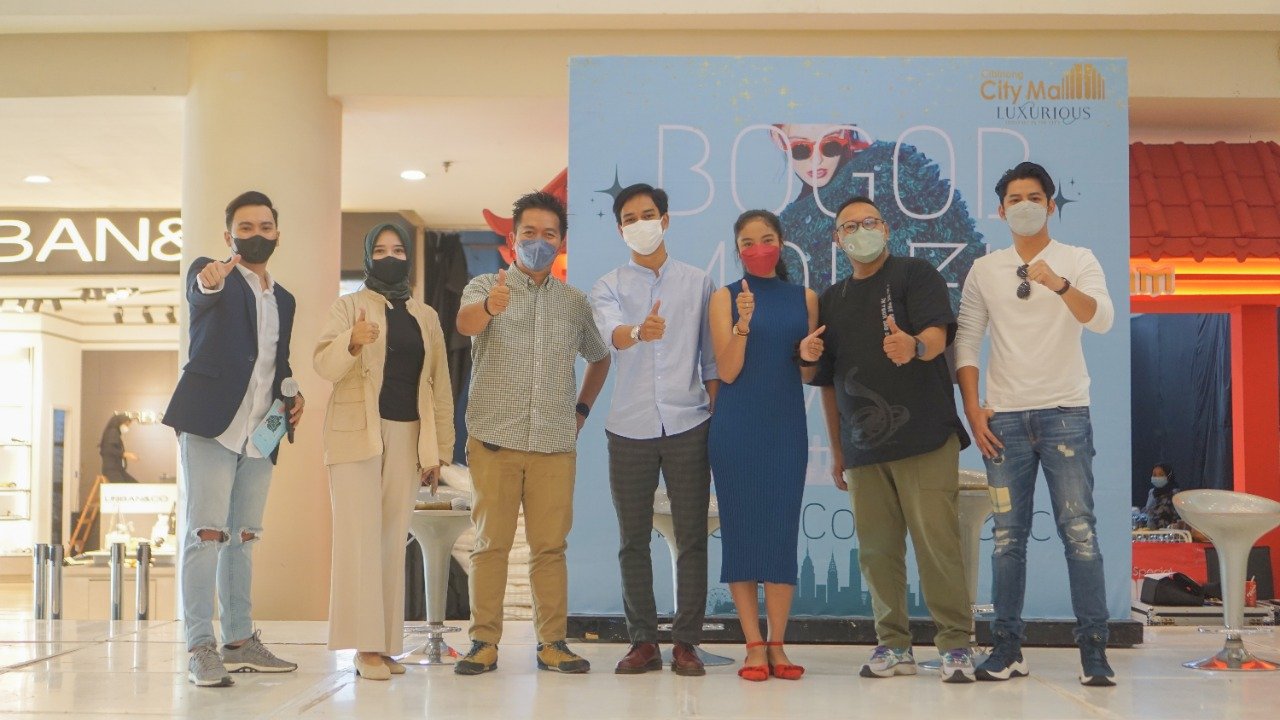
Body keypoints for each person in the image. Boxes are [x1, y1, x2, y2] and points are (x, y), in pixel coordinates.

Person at [955, 161, 1117, 687]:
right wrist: (973, 407)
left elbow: (1102, 318)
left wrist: (1060, 285)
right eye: (1014, 199)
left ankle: (1094, 651)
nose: (1023, 206)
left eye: (1033, 197)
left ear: (1050, 205)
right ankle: (1006, 649)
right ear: (1001, 211)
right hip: (1003, 419)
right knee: (1007, 538)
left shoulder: (1077, 259)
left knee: (1079, 532)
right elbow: (966, 339)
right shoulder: (986, 268)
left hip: (1066, 413)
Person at [812, 196, 976, 683]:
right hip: (863, 448)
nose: (861, 231)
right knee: (877, 552)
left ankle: (955, 645)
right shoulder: (831, 299)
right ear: (837, 240)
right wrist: (838, 450)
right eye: (850, 226)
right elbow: (827, 383)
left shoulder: (914, 274)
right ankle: (893, 644)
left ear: (885, 228)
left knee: (937, 545)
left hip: (925, 438)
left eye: (870, 222)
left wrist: (915, 345)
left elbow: (939, 335)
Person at [453, 191, 611, 676]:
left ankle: (552, 644)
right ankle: (483, 643)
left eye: (549, 234)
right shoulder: (486, 285)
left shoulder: (574, 303)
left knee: (550, 548)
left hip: (553, 445)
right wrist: (491, 307)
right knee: (490, 545)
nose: (538, 242)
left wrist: (581, 409)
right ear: (512, 237)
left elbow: (600, 356)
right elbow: (464, 324)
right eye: (529, 233)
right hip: (494, 440)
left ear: (561, 241)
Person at [162, 190, 305, 687]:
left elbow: (276, 363)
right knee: (205, 535)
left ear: (277, 234)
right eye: (245, 228)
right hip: (211, 424)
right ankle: (200, 646)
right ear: (229, 236)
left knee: (243, 537)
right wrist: (209, 282)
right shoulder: (213, 275)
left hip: (261, 432)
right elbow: (200, 291)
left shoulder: (284, 299)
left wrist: (293, 396)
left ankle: (240, 641)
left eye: (265, 227)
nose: (256, 235)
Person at [313, 222, 454, 681]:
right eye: (380, 250)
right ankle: (365, 647)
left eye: (397, 250)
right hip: (356, 434)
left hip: (409, 435)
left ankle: (387, 644)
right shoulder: (348, 306)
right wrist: (352, 340)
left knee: (393, 538)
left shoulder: (425, 315)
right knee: (360, 538)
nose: (389, 257)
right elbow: (324, 365)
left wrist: (439, 451)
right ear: (367, 257)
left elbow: (439, 384)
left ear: (408, 257)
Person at [588, 183, 719, 677]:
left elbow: (711, 359)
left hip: (689, 422)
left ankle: (687, 642)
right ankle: (643, 641)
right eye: (629, 218)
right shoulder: (607, 286)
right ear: (620, 229)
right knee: (632, 539)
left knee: (692, 537)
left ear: (664, 221)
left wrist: (717, 415)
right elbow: (612, 335)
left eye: (647, 215)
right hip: (629, 427)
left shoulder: (698, 282)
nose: (639, 224)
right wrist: (640, 331)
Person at [708, 209, 824, 682]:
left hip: (786, 428)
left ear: (781, 243)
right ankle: (753, 643)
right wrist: (742, 323)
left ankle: (778, 642)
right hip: (736, 428)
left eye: (767, 239)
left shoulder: (805, 298)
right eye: (748, 242)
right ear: (738, 250)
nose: (758, 248)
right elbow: (728, 370)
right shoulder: (725, 297)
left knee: (780, 531)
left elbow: (808, 374)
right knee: (740, 531)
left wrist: (808, 354)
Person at [771, 123, 983, 298]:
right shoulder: (789, 229)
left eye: (831, 145)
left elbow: (967, 252)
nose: (817, 160)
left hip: (930, 326)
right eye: (800, 149)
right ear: (779, 140)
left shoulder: (894, 167)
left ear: (846, 133)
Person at [99, 414, 139, 483]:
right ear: (120, 423)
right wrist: (125, 454)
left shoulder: (113, 433)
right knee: (130, 486)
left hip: (117, 469)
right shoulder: (113, 432)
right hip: (112, 470)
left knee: (134, 485)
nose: (127, 427)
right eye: (126, 425)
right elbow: (109, 449)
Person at [1141, 463, 1181, 530]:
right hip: (1150, 531)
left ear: (1168, 476)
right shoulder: (1151, 492)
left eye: (1161, 475)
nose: (1157, 477)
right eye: (1154, 475)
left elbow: (1178, 516)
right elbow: (1148, 510)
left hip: (1168, 532)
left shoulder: (1175, 493)